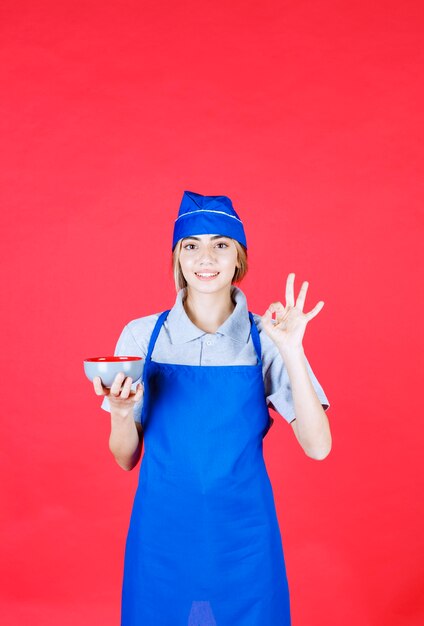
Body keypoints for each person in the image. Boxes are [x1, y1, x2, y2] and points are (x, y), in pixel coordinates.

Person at [94, 190, 332, 626]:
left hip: (244, 537)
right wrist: (121, 413)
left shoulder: (267, 337)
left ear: (238, 259)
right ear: (178, 259)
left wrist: (293, 352)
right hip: (162, 533)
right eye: (192, 245)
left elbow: (318, 447)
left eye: (221, 244)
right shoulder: (141, 337)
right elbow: (125, 457)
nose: (206, 257)